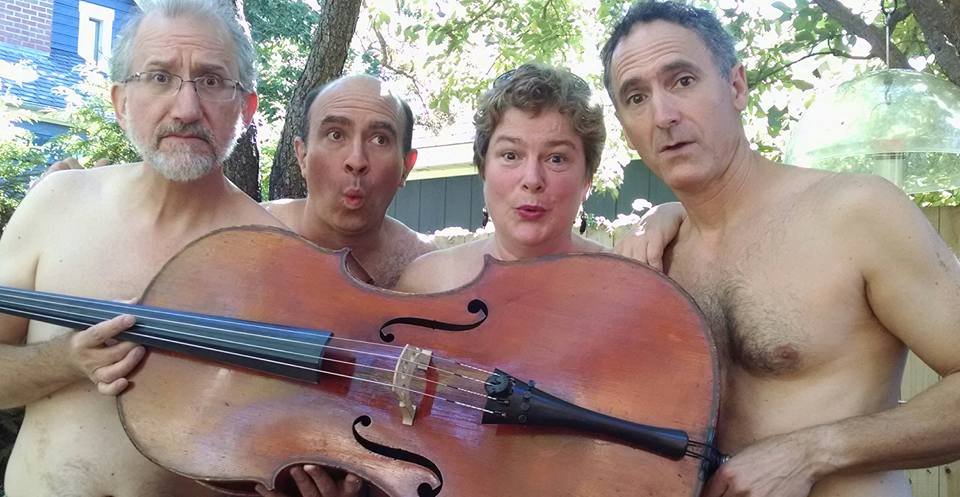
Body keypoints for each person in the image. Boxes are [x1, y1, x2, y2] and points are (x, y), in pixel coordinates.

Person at [602, 2, 960, 497]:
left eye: (682, 80)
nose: (663, 115)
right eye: (637, 97)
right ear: (626, 128)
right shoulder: (656, 260)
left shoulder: (857, 214)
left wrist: (812, 452)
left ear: (736, 86)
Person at [0, 0, 290, 494]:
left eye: (212, 80)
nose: (186, 108)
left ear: (246, 108)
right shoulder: (57, 201)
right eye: (159, 77)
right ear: (120, 101)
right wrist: (67, 359)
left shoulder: (279, 258)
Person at [396, 62, 606, 293]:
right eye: (511, 155)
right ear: (483, 167)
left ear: (587, 178)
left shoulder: (627, 284)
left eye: (556, 158)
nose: (532, 179)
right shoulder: (427, 282)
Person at [261, 75, 435, 289]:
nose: (356, 161)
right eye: (335, 135)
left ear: (406, 167)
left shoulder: (429, 273)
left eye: (380, 140)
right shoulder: (245, 239)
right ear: (302, 156)